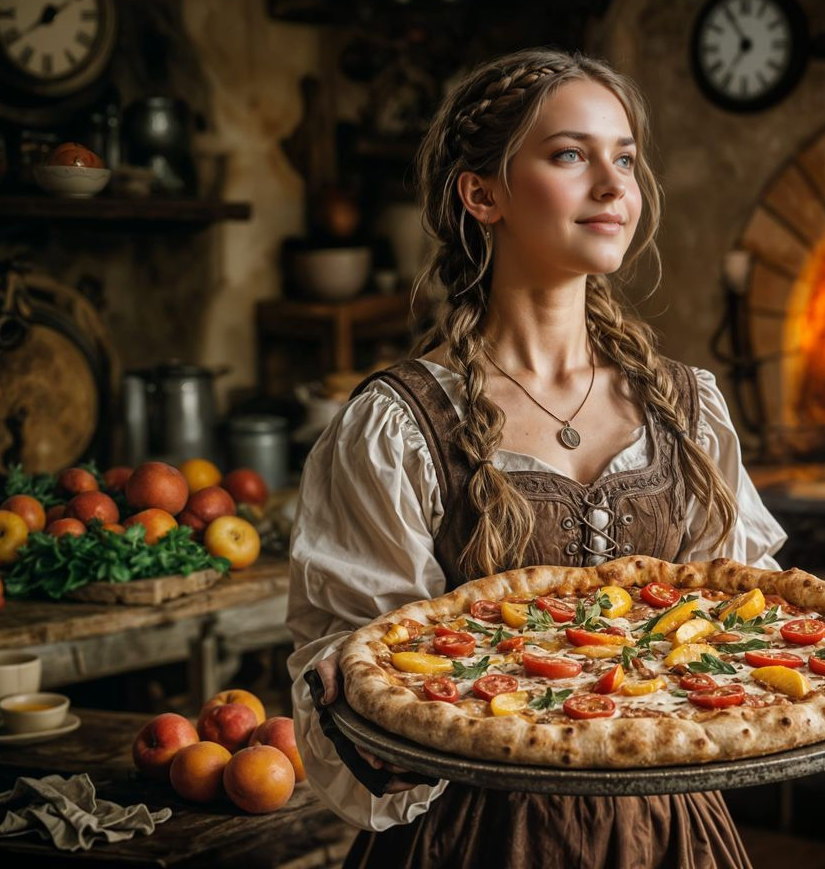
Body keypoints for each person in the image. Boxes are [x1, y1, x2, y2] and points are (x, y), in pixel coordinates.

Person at [286, 47, 789, 869]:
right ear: (482, 195)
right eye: (570, 156)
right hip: (474, 839)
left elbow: (748, 621)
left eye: (624, 158)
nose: (614, 186)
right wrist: (353, 702)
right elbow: (361, 665)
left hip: (665, 834)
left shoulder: (688, 408)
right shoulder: (398, 426)